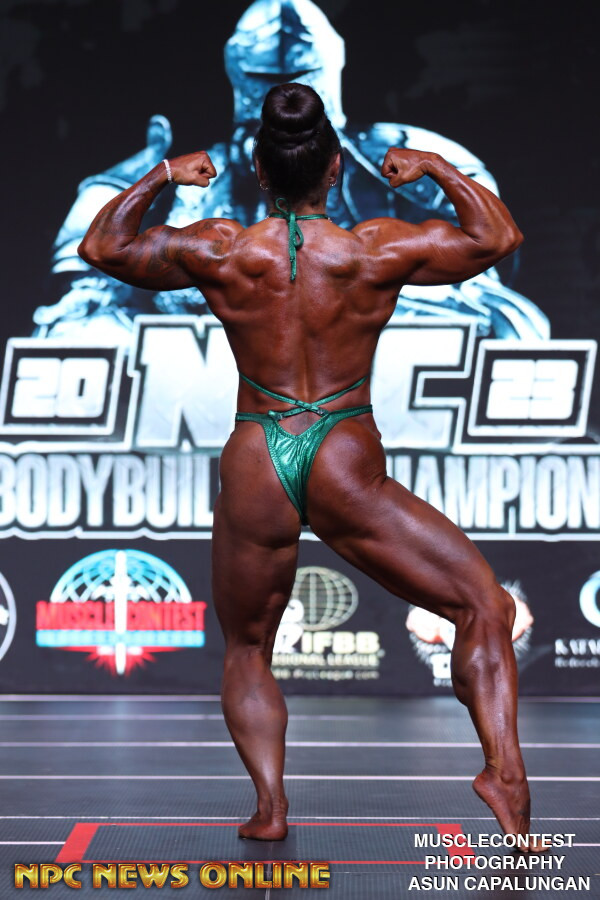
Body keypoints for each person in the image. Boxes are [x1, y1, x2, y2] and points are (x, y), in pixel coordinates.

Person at [79, 82, 538, 849]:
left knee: (248, 647)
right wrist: (434, 167)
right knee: (481, 606)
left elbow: (102, 248)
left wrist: (163, 176)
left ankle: (270, 808)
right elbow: (498, 237)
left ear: (260, 171)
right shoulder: (373, 250)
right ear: (334, 169)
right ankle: (503, 772)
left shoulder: (224, 249)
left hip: (259, 456)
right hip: (342, 457)